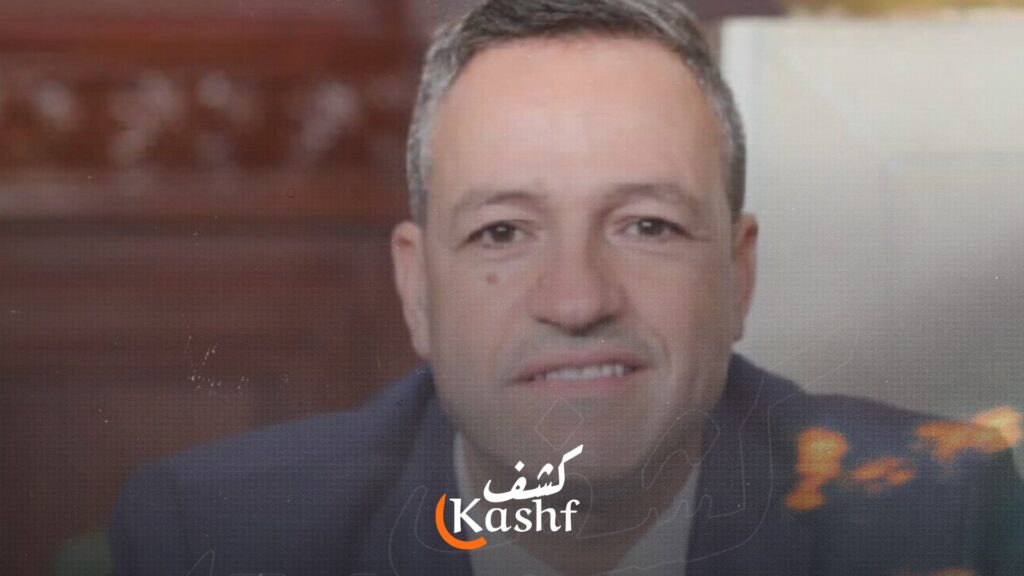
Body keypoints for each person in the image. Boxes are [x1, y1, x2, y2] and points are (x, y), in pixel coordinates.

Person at [110, 1, 1023, 575]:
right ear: (417, 290)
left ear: (737, 275)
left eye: (646, 226)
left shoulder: (935, 512)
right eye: (503, 232)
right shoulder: (218, 536)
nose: (578, 300)